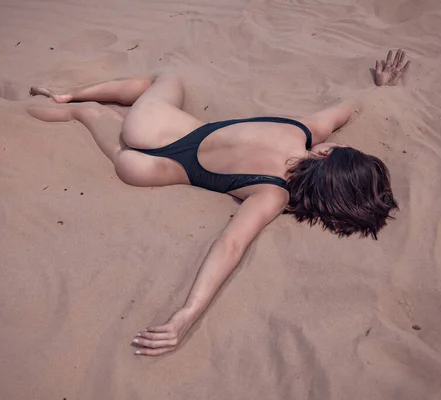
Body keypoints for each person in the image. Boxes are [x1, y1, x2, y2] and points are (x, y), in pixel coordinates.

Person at [27, 49, 411, 356]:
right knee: (90, 117)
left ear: (328, 155)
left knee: (168, 78)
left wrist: (381, 89)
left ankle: (67, 94)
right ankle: (73, 106)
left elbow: (348, 107)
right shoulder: (272, 193)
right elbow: (230, 245)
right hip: (147, 168)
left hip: (153, 126)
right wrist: (185, 316)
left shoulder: (303, 129)